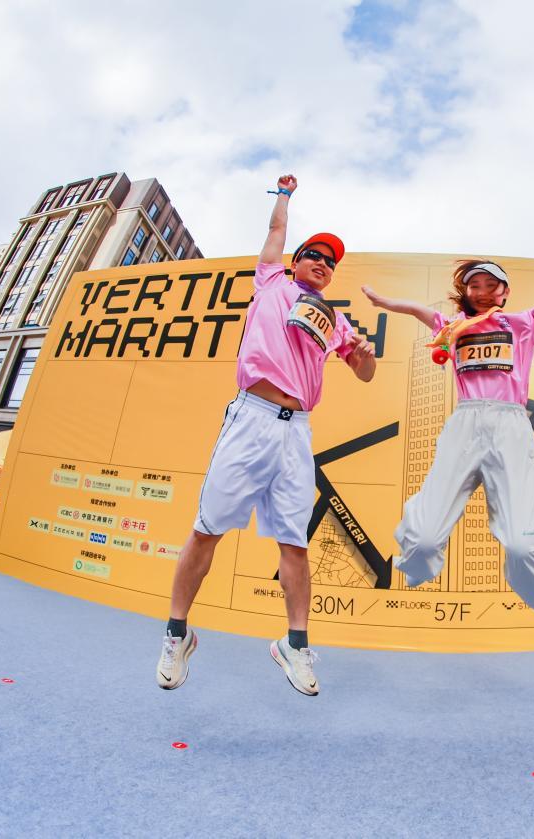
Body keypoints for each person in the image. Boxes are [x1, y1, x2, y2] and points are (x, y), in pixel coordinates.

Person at [156, 175, 377, 697]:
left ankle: (294, 645)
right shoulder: (272, 281)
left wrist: (365, 356)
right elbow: (276, 231)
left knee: (294, 543)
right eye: (313, 255)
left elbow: (364, 373)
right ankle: (177, 634)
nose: (321, 263)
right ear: (295, 262)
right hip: (251, 418)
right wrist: (284, 196)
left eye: (330, 261)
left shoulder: (335, 320)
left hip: (296, 433)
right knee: (206, 529)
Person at [360, 202, 534, 628]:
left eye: (492, 284)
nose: (483, 290)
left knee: (522, 544)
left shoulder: (524, 323)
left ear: (505, 292)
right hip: (465, 424)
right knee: (424, 538)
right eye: (475, 285)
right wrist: (384, 301)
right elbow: (416, 310)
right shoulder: (453, 327)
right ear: (466, 292)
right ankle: (417, 566)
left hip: (510, 425)